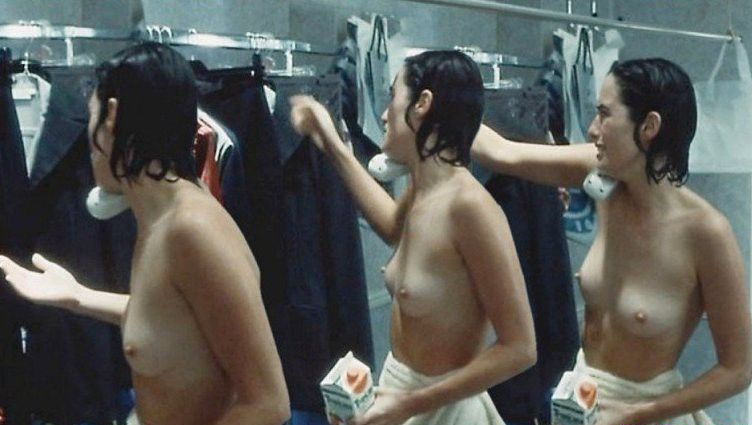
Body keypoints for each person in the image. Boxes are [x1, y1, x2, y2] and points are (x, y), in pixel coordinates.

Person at [0, 42, 290, 425]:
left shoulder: (190, 228)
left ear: (111, 119)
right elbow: (173, 319)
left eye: (91, 117)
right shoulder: (159, 214)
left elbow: (269, 403)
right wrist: (77, 297)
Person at [472, 58, 752, 425]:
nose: (591, 130)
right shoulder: (602, 173)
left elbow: (739, 369)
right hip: (583, 400)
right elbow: (502, 153)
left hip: (647, 412)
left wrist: (641, 413)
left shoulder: (706, 233)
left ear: (649, 127)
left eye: (604, 115)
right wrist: (440, 95)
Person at [290, 50, 536, 425]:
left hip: (443, 410)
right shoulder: (423, 192)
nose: (384, 115)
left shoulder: (470, 208)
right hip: (401, 395)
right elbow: (392, 225)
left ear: (422, 104)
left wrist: (411, 404)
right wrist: (332, 144)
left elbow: (521, 348)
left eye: (393, 97)